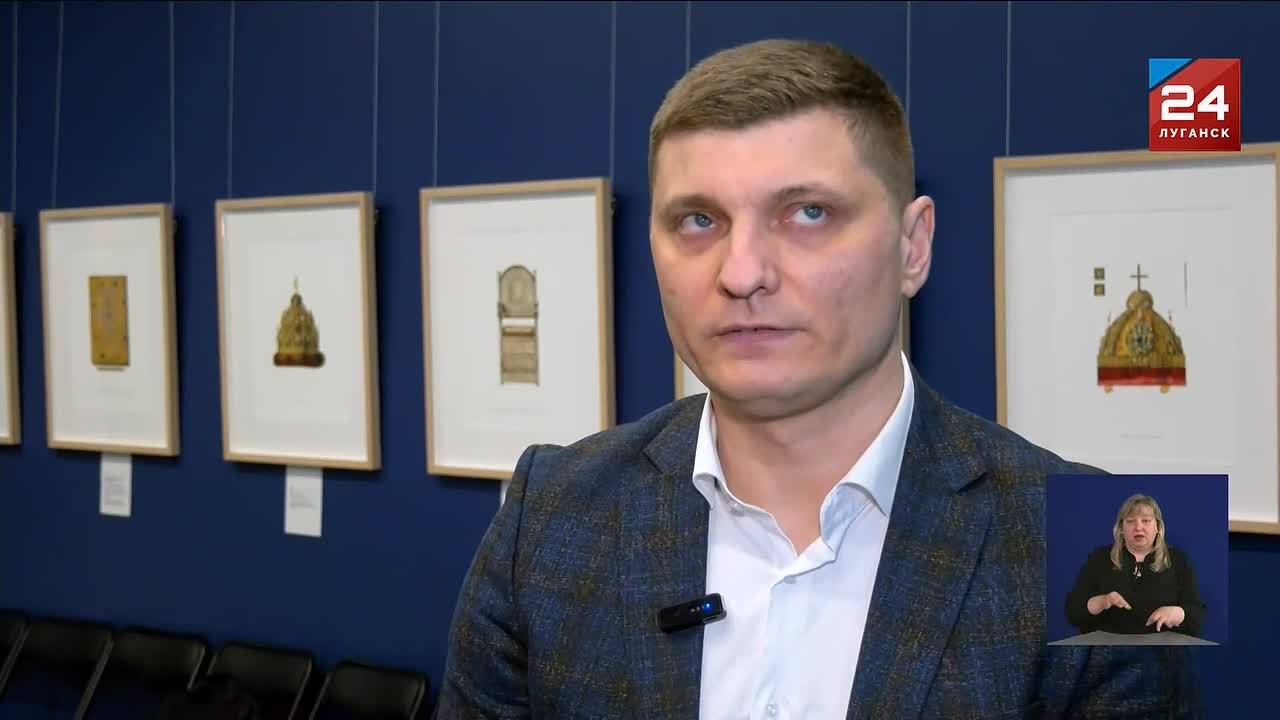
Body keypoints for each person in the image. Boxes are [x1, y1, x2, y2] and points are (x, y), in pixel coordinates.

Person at [434, 38, 1200, 718]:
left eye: (806, 213)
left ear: (912, 247)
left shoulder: (1098, 540)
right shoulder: (550, 513)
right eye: (698, 220)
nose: (741, 273)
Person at [1065, 493, 1207, 638]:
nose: (1138, 527)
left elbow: (1197, 614)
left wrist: (1178, 613)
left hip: (1163, 648)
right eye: (1130, 521)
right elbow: (1073, 611)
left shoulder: (1178, 560)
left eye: (1146, 521)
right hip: (1107, 647)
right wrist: (1102, 601)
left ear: (1158, 527)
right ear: (1121, 528)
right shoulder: (1099, 558)